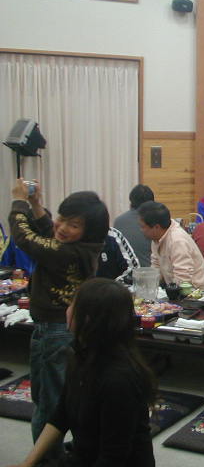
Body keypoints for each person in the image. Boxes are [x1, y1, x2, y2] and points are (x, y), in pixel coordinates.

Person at [10, 278, 156, 467]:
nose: (67, 309)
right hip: (84, 457)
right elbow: (60, 416)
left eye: (72, 304)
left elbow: (113, 457)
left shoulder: (119, 380)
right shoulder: (81, 356)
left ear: (88, 318)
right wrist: (27, 463)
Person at [8, 179, 109, 453]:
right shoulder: (79, 246)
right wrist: (36, 205)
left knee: (49, 401)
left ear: (88, 231)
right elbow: (47, 234)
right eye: (62, 219)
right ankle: (67, 451)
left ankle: (47, 458)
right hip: (53, 327)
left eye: (73, 225)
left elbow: (25, 239)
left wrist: (18, 203)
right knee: (50, 394)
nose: (62, 227)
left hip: (56, 331)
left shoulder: (71, 253)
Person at [138, 201, 204, 288]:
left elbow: (183, 280)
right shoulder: (157, 238)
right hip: (176, 288)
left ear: (156, 227)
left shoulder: (177, 241)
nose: (140, 230)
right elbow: (156, 267)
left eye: (142, 227)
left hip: (196, 291)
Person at [114, 184, 155, 267]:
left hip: (125, 271)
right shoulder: (156, 222)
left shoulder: (118, 221)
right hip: (151, 272)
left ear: (131, 201)